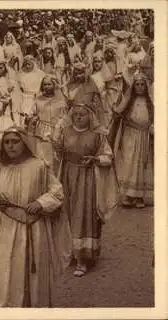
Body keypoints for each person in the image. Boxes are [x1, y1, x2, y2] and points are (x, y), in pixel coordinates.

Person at [0, 126, 71, 307]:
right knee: (5, 269)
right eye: (6, 142)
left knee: (34, 272)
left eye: (15, 141)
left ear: (24, 143)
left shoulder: (39, 166)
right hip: (6, 227)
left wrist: (40, 203)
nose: (10, 146)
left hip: (34, 227)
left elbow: (57, 192)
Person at [54, 103, 120, 277]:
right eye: (75, 114)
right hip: (68, 177)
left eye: (82, 115)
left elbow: (108, 156)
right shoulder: (66, 131)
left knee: (84, 215)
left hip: (88, 180)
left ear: (90, 116)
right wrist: (55, 143)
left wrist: (96, 159)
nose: (78, 117)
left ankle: (83, 258)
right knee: (67, 214)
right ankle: (70, 252)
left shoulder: (98, 135)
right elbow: (59, 154)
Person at [109, 73, 153, 208]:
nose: (139, 87)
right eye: (137, 85)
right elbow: (118, 112)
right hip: (130, 136)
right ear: (133, 87)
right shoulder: (129, 101)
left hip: (144, 136)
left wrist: (150, 126)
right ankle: (128, 195)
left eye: (142, 85)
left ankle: (140, 196)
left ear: (146, 87)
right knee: (129, 163)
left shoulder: (150, 102)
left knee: (141, 164)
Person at [27, 75, 67, 172]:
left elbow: (65, 116)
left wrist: (59, 126)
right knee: (43, 156)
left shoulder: (60, 100)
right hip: (41, 131)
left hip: (57, 130)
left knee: (55, 157)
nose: (46, 87)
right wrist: (33, 118)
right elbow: (31, 113)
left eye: (49, 84)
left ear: (54, 85)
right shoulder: (38, 99)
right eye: (44, 84)